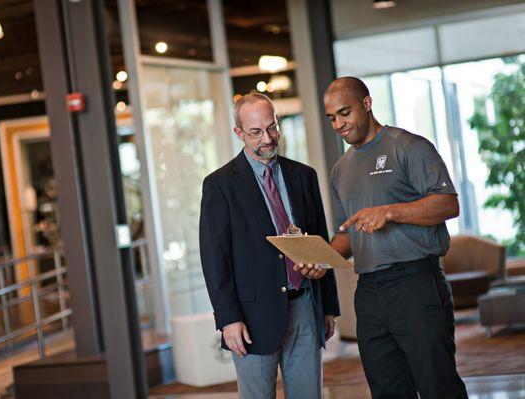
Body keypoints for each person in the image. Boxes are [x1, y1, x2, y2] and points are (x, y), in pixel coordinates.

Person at [324, 77, 468, 399]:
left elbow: (449, 204)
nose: (338, 124)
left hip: (416, 282)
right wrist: (319, 258)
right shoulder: (340, 170)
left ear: (367, 103)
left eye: (344, 113)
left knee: (437, 385)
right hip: (370, 291)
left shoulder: (409, 147)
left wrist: (390, 212)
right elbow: (346, 235)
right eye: (332, 117)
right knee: (387, 390)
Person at [199, 93, 340, 399]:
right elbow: (214, 258)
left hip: (305, 306)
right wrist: (228, 319)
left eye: (272, 127)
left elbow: (320, 241)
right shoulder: (220, 185)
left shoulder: (304, 176)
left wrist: (328, 306)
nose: (267, 138)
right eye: (256, 132)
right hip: (251, 316)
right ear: (239, 133)